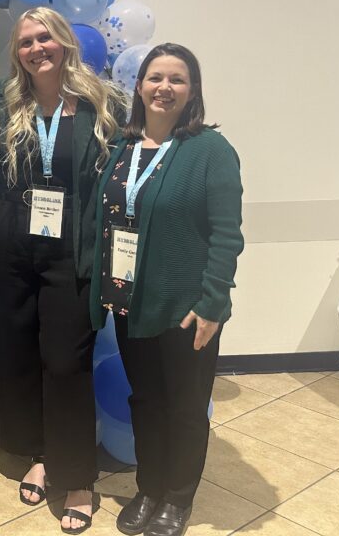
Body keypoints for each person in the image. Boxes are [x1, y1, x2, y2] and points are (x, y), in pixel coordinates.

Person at [91, 44, 243, 536]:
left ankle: (178, 498)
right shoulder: (123, 148)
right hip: (130, 302)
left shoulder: (210, 152)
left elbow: (227, 233)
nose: (164, 88)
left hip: (185, 308)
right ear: (138, 86)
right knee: (146, 400)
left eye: (177, 79)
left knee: (185, 406)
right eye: (155, 78)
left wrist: (213, 303)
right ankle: (150, 486)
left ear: (192, 90)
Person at [0, 7, 123, 535]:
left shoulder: (102, 101)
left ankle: (79, 477)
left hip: (72, 252)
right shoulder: (5, 99)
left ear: (64, 42)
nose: (35, 49)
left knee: (65, 362)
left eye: (45, 38)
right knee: (19, 354)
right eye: (25, 42)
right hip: (13, 249)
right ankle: (39, 453)